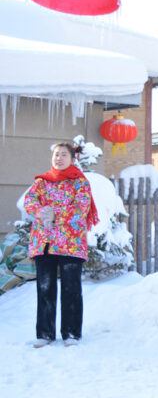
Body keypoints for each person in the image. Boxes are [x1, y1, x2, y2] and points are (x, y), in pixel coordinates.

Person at [23, 143, 99, 348]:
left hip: (70, 243)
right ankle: (45, 333)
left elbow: (81, 209)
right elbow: (29, 201)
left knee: (71, 288)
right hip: (45, 242)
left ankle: (71, 333)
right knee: (45, 288)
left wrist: (55, 214)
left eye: (64, 155)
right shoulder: (41, 181)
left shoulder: (80, 182)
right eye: (56, 154)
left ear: (72, 159)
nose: (59, 158)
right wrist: (40, 212)